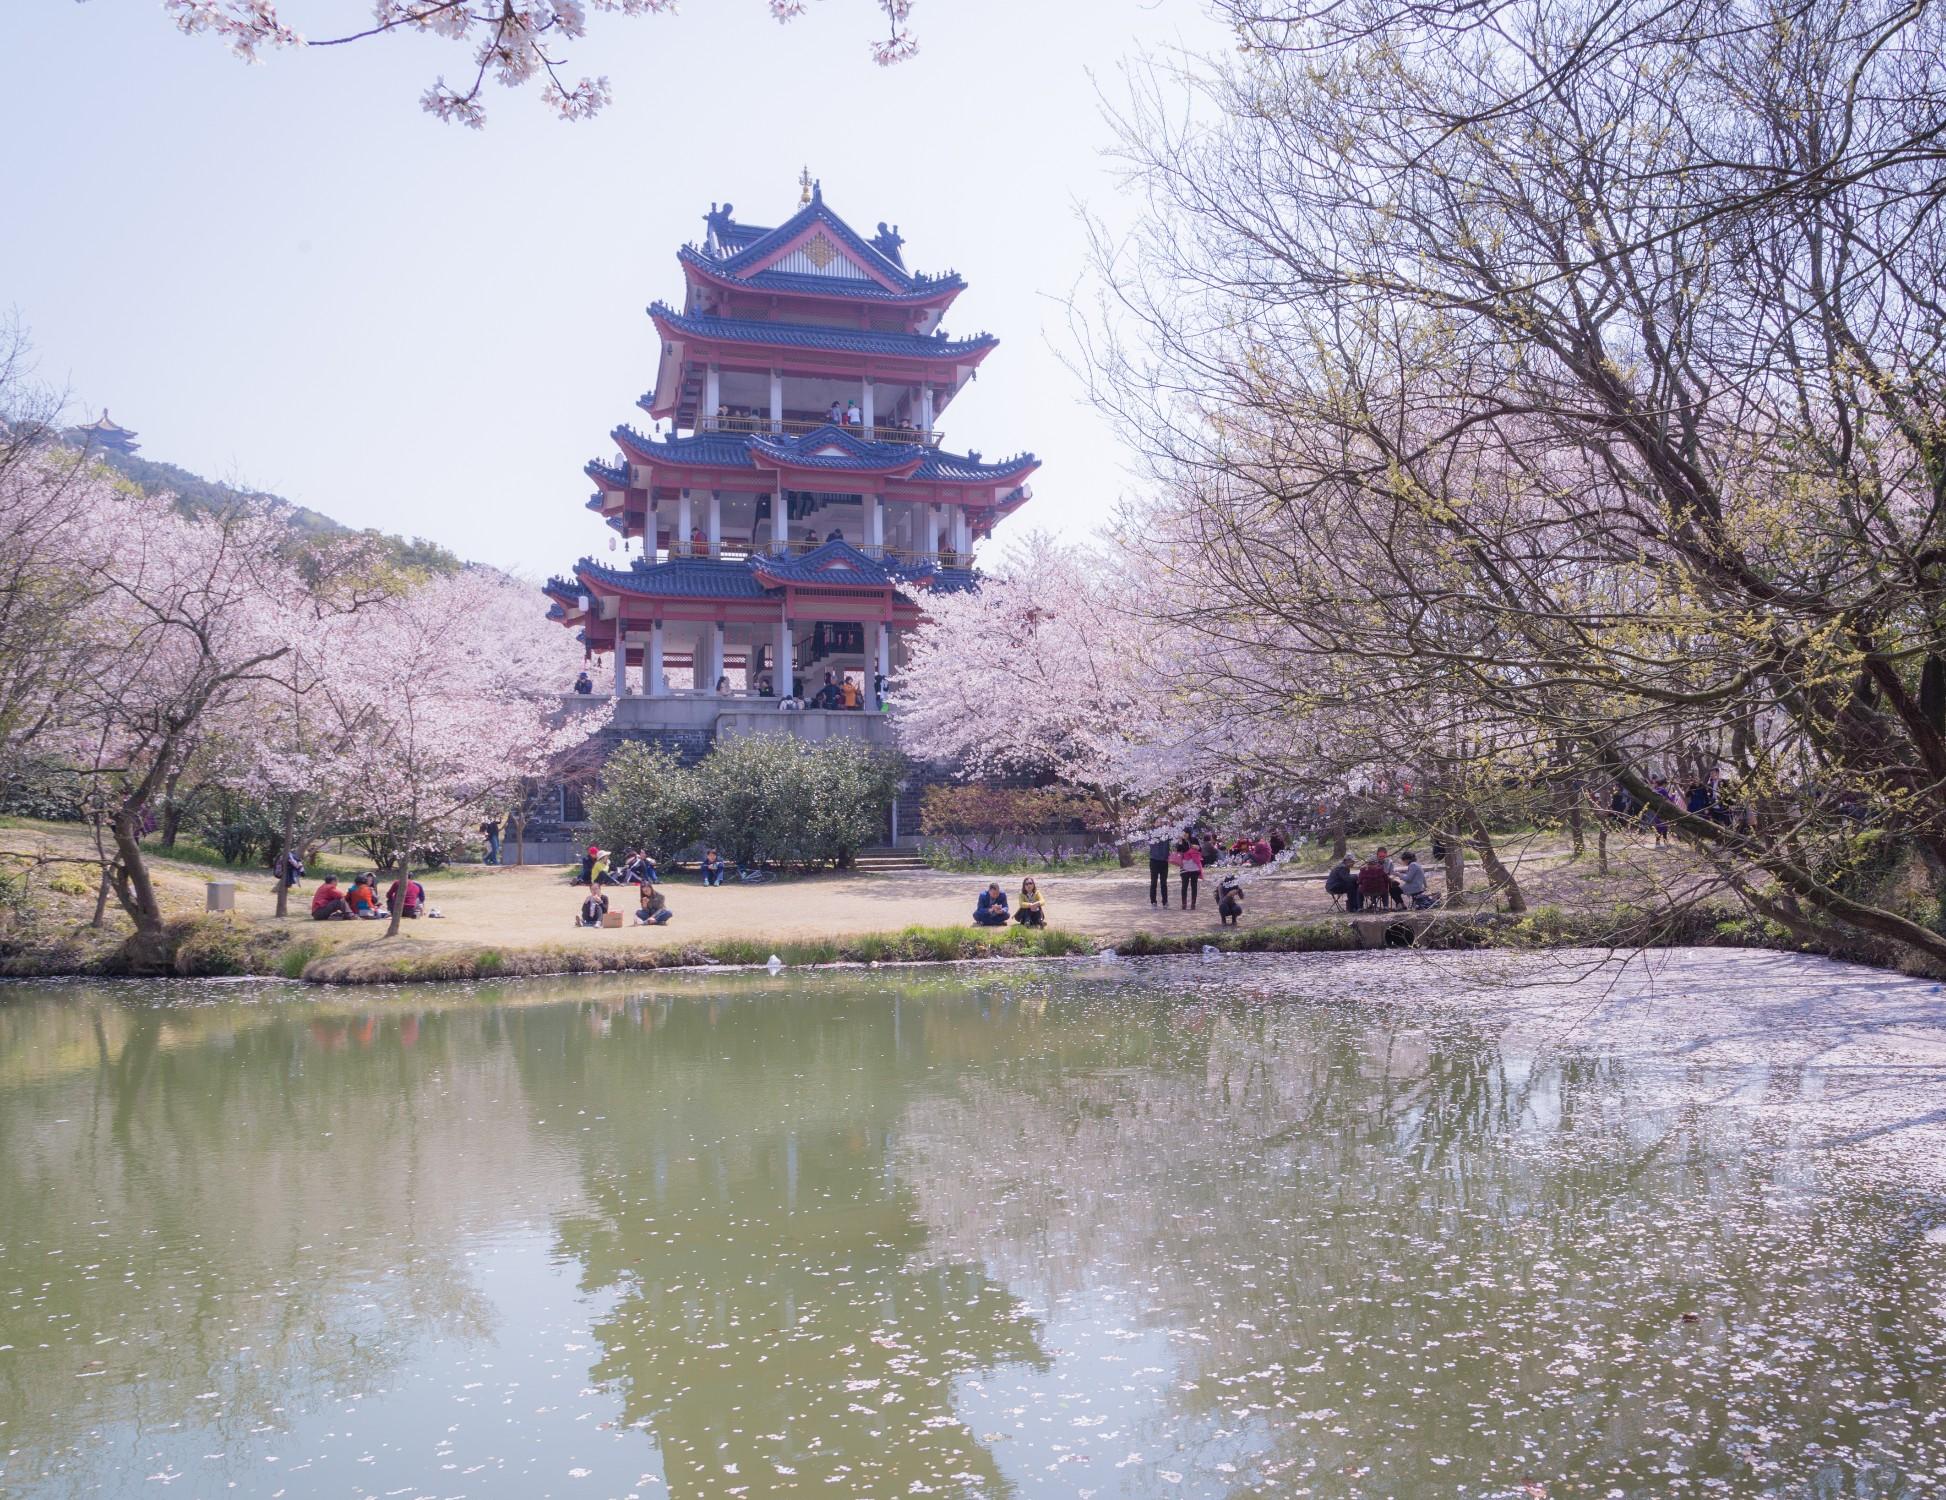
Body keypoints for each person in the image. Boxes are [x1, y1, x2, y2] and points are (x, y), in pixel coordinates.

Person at [1178, 836, 1204, 910]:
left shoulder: (1194, 839)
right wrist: (1180, 842)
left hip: (1194, 866)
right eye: (1183, 833)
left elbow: (1200, 850)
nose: (1185, 834)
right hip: (1184, 867)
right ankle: (1184, 904)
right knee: (1184, 886)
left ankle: (1193, 904)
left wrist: (1197, 847)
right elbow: (1178, 850)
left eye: (1186, 832)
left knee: (1194, 886)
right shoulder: (1181, 840)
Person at [1147, 832, 1172, 907]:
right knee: (1154, 882)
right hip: (1154, 860)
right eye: (1157, 822)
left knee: (1164, 883)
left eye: (1161, 822)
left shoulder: (1167, 833)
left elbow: (1175, 837)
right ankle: (1153, 901)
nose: (1160, 823)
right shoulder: (1151, 833)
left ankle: (1165, 901)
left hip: (1164, 861)